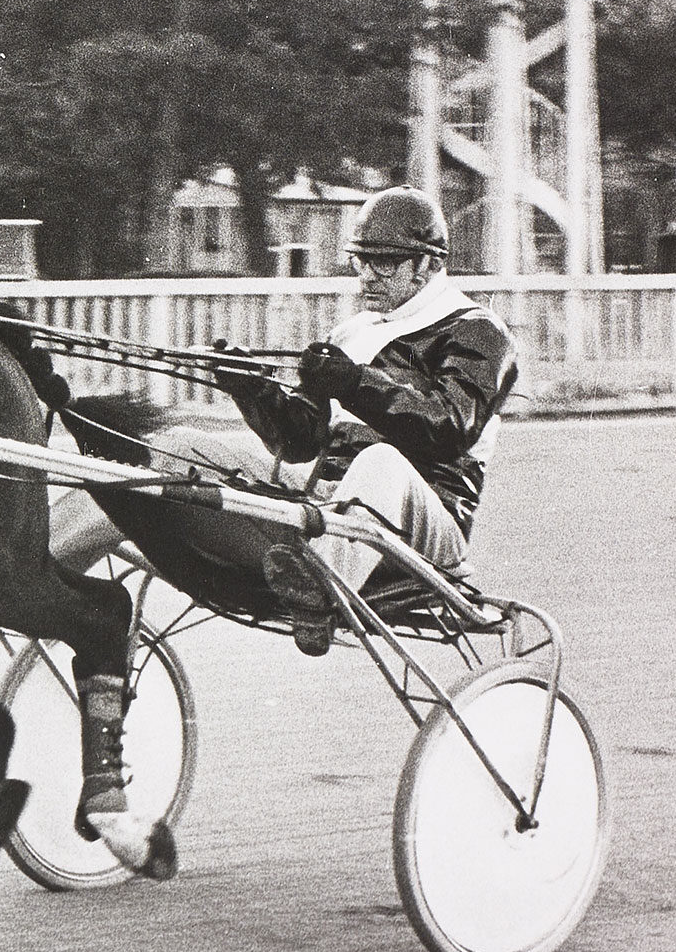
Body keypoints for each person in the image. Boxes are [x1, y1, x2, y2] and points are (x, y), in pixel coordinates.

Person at [190, 185, 520, 655]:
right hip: (333, 508)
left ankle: (321, 591)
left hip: (428, 524)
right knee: (191, 446)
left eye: (383, 262)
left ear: (427, 264)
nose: (366, 276)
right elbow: (301, 442)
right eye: (360, 261)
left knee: (380, 459)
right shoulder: (353, 331)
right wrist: (252, 389)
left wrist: (353, 383)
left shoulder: (479, 332)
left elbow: (447, 428)